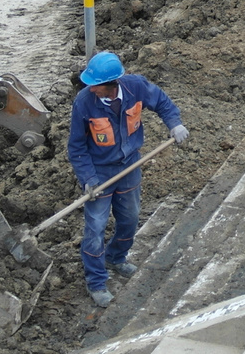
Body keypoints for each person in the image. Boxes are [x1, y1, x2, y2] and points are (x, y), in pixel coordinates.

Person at [66, 51, 189, 307]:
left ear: (113, 85)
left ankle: (116, 258)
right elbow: (76, 147)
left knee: (130, 218)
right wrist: (88, 178)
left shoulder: (135, 87)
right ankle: (97, 281)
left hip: (129, 166)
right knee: (95, 229)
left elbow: (163, 103)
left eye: (95, 85)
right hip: (99, 173)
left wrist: (174, 124)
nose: (91, 89)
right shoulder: (84, 103)